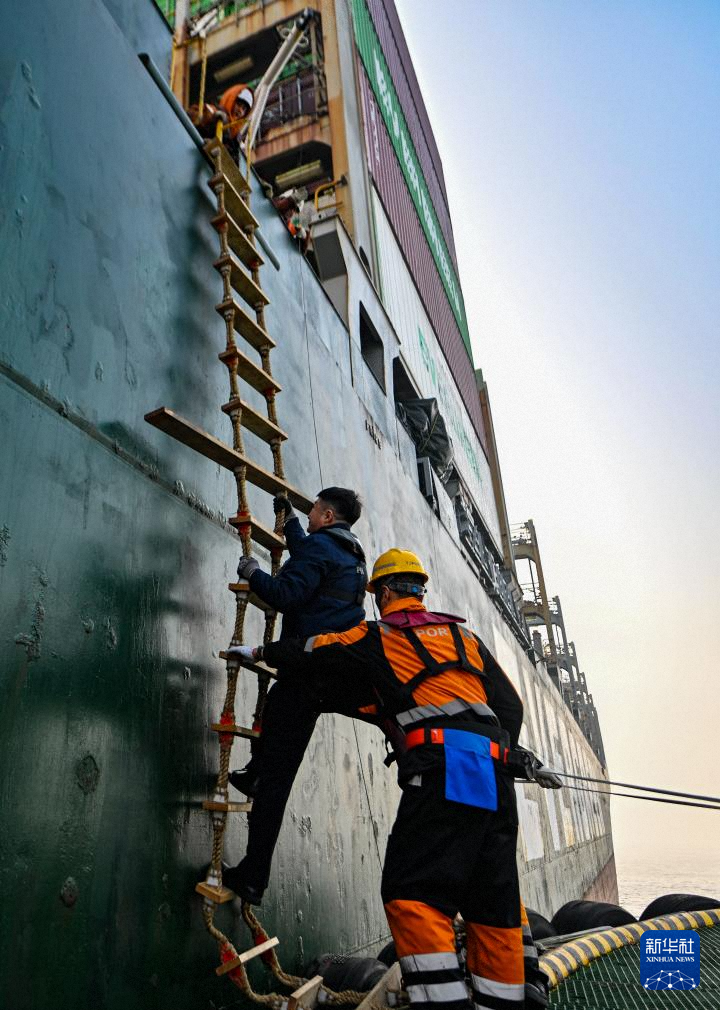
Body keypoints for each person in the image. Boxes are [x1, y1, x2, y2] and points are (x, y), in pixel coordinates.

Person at [234, 549, 560, 1010]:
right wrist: (493, 753)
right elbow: (510, 706)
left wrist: (259, 652)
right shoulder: (464, 637)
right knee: (493, 905)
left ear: (384, 593)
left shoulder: (378, 635)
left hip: (443, 775)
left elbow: (316, 650)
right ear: (420, 590)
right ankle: (509, 1000)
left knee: (414, 895)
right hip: (497, 777)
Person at [222, 487, 366, 903]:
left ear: (327, 516)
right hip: (325, 677)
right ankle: (255, 773)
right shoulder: (352, 555)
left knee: (275, 785)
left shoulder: (322, 548)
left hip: (304, 671)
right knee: (276, 718)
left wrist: (252, 572)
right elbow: (311, 558)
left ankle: (253, 877)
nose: (311, 514)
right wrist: (291, 524)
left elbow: (285, 595)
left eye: (313, 511)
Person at [189, 83, 254, 144]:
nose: (240, 110)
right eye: (239, 104)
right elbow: (192, 113)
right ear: (231, 100)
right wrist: (209, 117)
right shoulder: (215, 111)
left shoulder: (236, 136)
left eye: (244, 109)